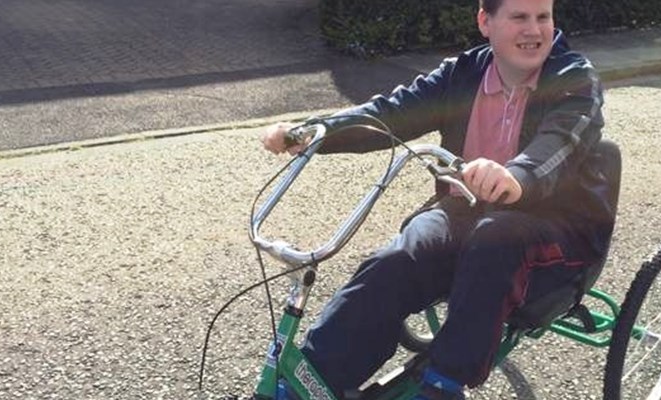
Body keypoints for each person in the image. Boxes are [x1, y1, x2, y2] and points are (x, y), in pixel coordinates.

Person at [261, 0, 614, 398]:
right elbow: (391, 113)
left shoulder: (574, 78)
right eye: (519, 17)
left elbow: (562, 140)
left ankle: (444, 384)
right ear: (486, 22)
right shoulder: (464, 74)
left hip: (557, 228)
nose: (534, 30)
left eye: (542, 17)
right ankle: (312, 380)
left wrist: (517, 175)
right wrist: (314, 131)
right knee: (395, 260)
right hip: (470, 210)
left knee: (495, 239)